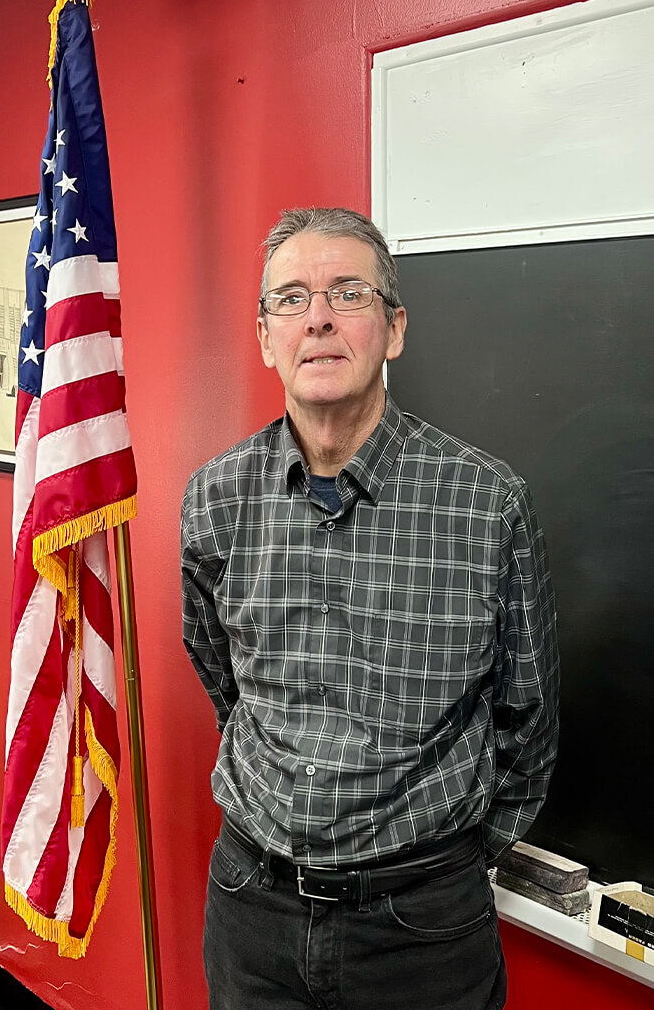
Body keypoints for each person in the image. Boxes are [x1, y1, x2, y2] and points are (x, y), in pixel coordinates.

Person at [181, 207, 559, 1010]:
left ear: (393, 328)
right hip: (252, 905)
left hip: (422, 929)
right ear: (264, 337)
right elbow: (222, 672)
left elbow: (527, 719)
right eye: (289, 298)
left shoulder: (485, 504)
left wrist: (449, 862)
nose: (316, 316)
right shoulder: (215, 497)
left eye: (346, 292)